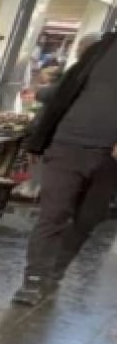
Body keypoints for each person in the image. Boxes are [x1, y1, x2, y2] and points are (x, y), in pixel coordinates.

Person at [13, 31, 117, 306]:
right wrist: (38, 141)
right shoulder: (101, 49)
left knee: (88, 218)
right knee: (53, 213)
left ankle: (55, 270)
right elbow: (64, 93)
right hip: (68, 144)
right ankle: (34, 279)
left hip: (111, 158)